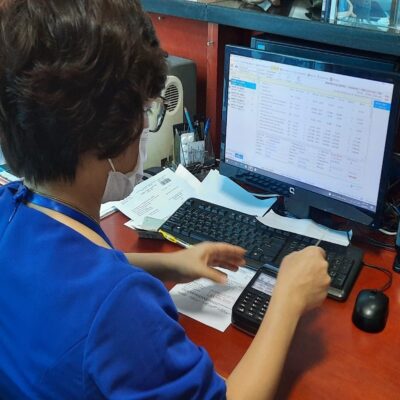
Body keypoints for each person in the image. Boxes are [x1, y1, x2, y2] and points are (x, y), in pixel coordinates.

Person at [0, 1, 330, 398]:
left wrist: (168, 264)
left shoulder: (9, 205)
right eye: (144, 109)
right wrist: (287, 301)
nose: (144, 123)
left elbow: (67, 273)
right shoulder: (121, 310)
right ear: (105, 130)